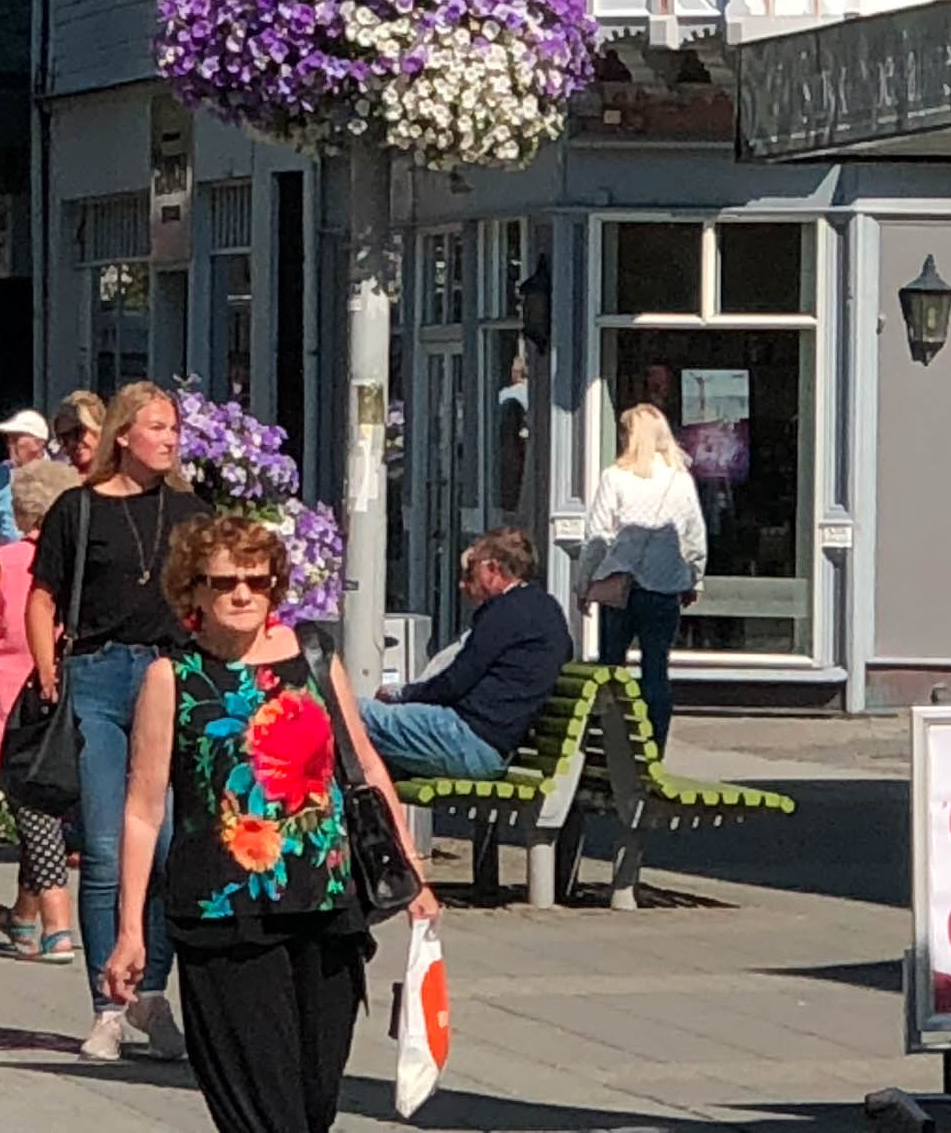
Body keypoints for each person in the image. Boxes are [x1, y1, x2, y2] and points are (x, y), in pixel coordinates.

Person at [105, 507, 436, 1133]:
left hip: (325, 905)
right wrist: (130, 930)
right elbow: (144, 809)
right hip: (223, 915)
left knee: (314, 1103)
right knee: (262, 1110)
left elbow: (363, 765)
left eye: (257, 582)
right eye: (225, 581)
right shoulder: (171, 678)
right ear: (193, 589)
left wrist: (412, 871)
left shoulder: (312, 657)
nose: (242, 595)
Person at [28, 377, 190, 1062]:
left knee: (163, 846)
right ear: (123, 435)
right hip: (95, 674)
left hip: (169, 675)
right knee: (101, 846)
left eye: (174, 428)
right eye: (157, 426)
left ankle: (151, 993)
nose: (170, 438)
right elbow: (43, 597)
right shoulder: (79, 509)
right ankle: (106, 1005)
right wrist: (46, 670)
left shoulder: (190, 510)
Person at [0, 454, 82, 962]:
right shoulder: (80, 563)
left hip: (14, 702)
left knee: (35, 808)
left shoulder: (6, 562)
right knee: (38, 804)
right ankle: (24, 918)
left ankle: (57, 924)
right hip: (74, 693)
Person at [363, 527, 574, 780]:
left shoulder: (505, 613)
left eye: (471, 571)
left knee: (349, 712)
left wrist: (402, 694)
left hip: (469, 739)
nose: (462, 584)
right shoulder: (546, 608)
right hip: (493, 743)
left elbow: (454, 683)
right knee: (360, 750)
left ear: (494, 570)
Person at [578, 403, 709, 748]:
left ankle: (612, 745)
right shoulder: (680, 481)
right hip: (664, 586)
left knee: (611, 671)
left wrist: (584, 583)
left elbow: (597, 536)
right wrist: (694, 578)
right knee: (656, 670)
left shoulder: (614, 477)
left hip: (620, 586)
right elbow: (693, 536)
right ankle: (653, 746)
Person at [0, 410, 50, 542]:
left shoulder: (57, 477)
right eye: (8, 439)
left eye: (16, 440)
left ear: (38, 443)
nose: (10, 445)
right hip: (7, 557)